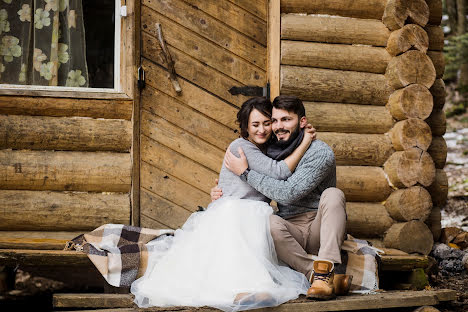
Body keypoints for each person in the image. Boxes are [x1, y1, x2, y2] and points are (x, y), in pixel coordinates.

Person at [131, 97, 316, 311]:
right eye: (255, 125)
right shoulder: (241, 146)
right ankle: (246, 288)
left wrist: (303, 132)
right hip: (236, 209)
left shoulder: (268, 149)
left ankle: (253, 286)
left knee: (257, 231)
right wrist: (305, 143)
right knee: (239, 238)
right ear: (245, 126)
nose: (262, 130)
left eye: (267, 123)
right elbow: (279, 172)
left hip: (251, 209)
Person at [212, 95, 347, 300]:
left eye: (286, 120)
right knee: (263, 221)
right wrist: (221, 189)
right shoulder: (273, 149)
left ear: (302, 122)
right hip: (289, 229)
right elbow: (266, 173)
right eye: (274, 121)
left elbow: (287, 192)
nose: (277, 126)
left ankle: (325, 267)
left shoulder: (319, 152)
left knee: (333, 194)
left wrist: (246, 173)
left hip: (318, 226)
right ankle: (318, 274)